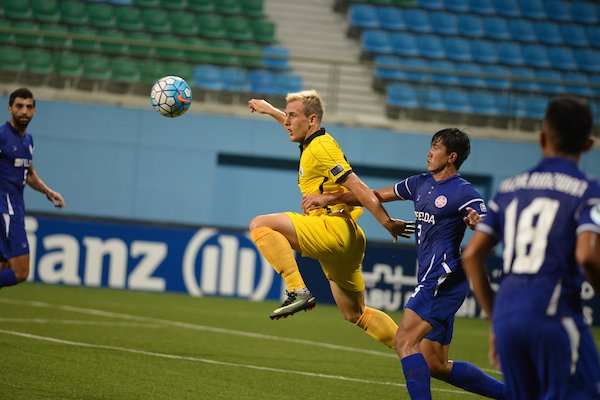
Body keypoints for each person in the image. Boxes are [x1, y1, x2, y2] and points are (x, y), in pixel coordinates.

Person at [304, 128, 505, 399]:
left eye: (436, 147)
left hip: (444, 276)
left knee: (404, 341)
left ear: (451, 156)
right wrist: (329, 198)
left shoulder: (463, 192)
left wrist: (477, 224)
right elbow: (373, 196)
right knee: (435, 363)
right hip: (435, 278)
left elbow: (490, 224)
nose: (429, 152)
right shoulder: (419, 183)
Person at [247, 90, 414, 350]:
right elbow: (292, 124)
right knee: (355, 313)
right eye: (287, 116)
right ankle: (412, 351)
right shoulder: (312, 142)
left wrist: (385, 220)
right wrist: (270, 110)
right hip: (348, 237)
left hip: (331, 228)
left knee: (260, 225)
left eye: (293, 116)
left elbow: (357, 185)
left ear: (312, 120)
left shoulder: (321, 147)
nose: (288, 122)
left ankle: (297, 290)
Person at [463, 96, 600, 399]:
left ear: (541, 138)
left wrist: (494, 318)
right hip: (554, 315)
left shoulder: (510, 188)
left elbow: (472, 255)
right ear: (588, 144)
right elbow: (588, 254)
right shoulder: (588, 190)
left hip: (508, 318)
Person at [0, 88, 65, 288]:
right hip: (5, 209)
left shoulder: (28, 140)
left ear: (34, 111)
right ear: (10, 108)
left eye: (29, 107)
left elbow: (28, 172)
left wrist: (48, 191)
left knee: (3, 267)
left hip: (16, 208)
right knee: (20, 271)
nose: (24, 111)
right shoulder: (2, 136)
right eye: (19, 106)